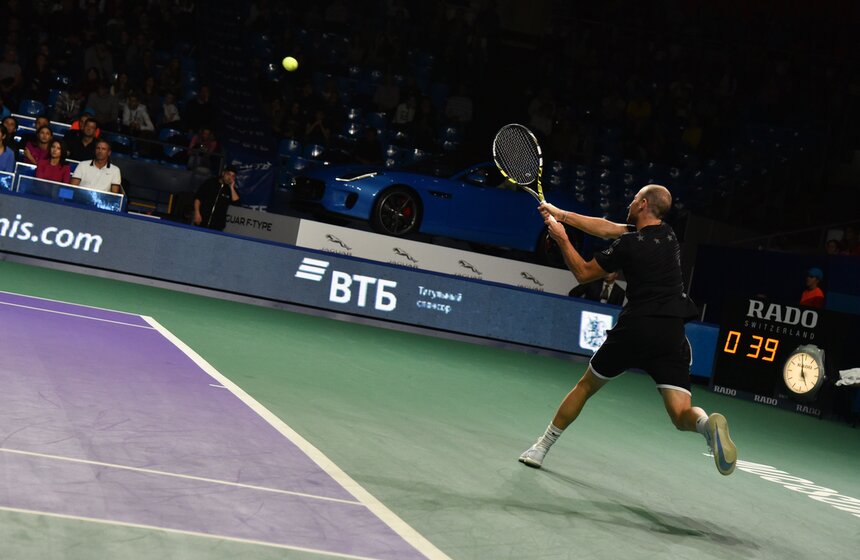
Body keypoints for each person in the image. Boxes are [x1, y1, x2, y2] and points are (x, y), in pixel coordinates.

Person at [519, 184, 737, 476]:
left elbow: (583, 273)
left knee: (585, 387)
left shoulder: (629, 245)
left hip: (636, 328)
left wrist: (561, 238)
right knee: (681, 412)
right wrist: (562, 215)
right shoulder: (669, 235)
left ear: (644, 204)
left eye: (634, 199)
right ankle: (706, 425)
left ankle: (540, 448)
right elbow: (608, 228)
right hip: (672, 332)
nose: (630, 202)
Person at [193, 165, 240, 230]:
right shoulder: (210, 183)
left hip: (217, 225)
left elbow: (236, 202)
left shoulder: (230, 190)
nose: (230, 178)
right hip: (202, 220)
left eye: (233, 176)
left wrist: (231, 187)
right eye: (228, 174)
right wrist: (197, 213)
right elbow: (198, 198)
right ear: (223, 173)